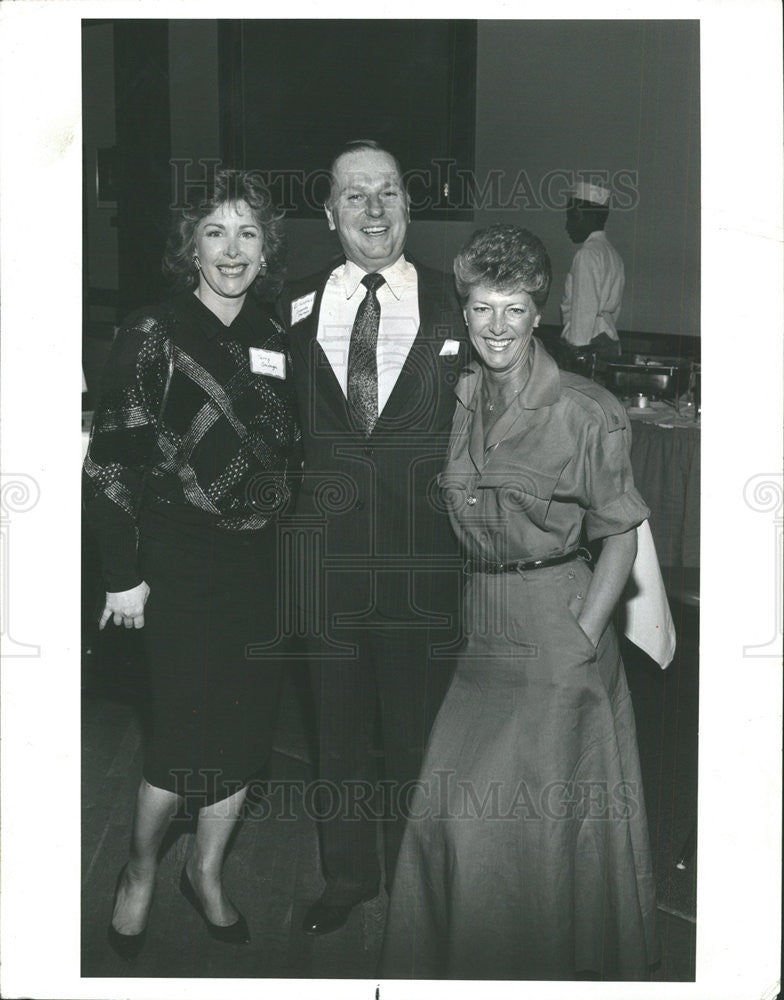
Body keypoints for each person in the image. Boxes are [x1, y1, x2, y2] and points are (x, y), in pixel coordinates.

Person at [380, 224, 658, 980]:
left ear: (539, 312)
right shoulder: (466, 395)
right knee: (451, 820)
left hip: (555, 626)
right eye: (481, 309)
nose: (496, 326)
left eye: (513, 308)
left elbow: (623, 540)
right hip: (482, 631)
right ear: (462, 312)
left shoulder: (583, 409)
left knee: (512, 831)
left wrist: (582, 636)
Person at [83, 169, 301, 960]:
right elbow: (110, 468)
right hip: (174, 564)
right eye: (215, 231)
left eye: (247, 232)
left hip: (260, 565)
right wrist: (120, 577)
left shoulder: (277, 337)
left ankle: (205, 873)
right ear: (191, 245)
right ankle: (140, 871)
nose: (233, 249)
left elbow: (292, 459)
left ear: (265, 245)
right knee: (180, 739)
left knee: (245, 735)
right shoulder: (153, 331)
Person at [283, 140, 467, 936]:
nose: (373, 209)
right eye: (354, 195)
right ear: (329, 214)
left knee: (421, 734)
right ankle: (349, 876)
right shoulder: (286, 308)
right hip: (323, 565)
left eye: (388, 191)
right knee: (339, 734)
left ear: (407, 204)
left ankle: (423, 882)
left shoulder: (458, 306)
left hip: (423, 566)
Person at [560, 180, 624, 358]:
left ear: (581, 215)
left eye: (570, 217)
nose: (567, 226)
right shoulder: (612, 254)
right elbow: (614, 310)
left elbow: (583, 309)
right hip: (608, 340)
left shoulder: (587, 254)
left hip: (588, 347)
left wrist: (576, 355)